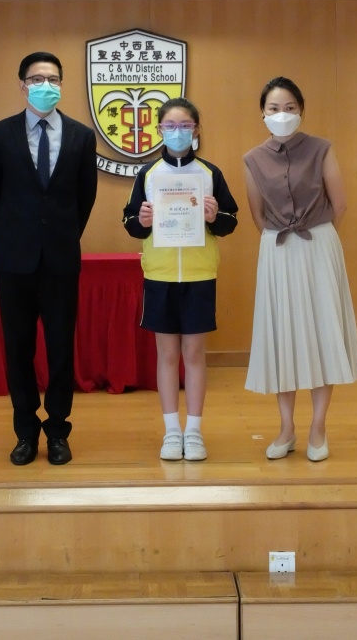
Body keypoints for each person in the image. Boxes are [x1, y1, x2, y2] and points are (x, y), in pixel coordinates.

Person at [0, 51, 97, 466]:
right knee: (18, 349)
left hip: (61, 259)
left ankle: (58, 431)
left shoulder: (81, 136)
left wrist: (59, 237)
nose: (45, 85)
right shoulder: (0, 133)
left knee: (61, 349)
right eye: (36, 79)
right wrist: (12, 239)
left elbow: (85, 199)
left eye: (53, 79)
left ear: (61, 85)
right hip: (13, 262)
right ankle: (25, 432)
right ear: (22, 85)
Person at [243, 77, 357, 461]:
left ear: (301, 111)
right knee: (283, 337)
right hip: (277, 250)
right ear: (263, 113)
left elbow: (339, 204)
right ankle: (286, 428)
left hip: (319, 245)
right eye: (274, 108)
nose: (282, 114)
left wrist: (318, 238)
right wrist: (285, 240)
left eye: (290, 107)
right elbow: (257, 214)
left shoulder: (321, 149)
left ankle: (318, 427)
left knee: (323, 333)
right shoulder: (253, 159)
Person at [123, 98, 238, 461]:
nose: (177, 132)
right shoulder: (148, 174)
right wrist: (142, 220)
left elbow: (230, 221)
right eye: (170, 126)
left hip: (199, 275)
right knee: (168, 354)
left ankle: (194, 431)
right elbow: (130, 222)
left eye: (185, 125)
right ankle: (172, 431)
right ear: (159, 129)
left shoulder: (209, 173)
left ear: (196, 129)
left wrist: (214, 216)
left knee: (194, 353)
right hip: (160, 275)